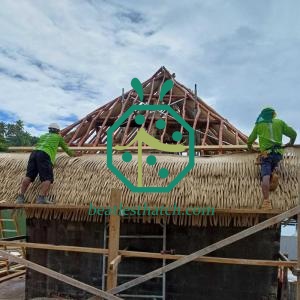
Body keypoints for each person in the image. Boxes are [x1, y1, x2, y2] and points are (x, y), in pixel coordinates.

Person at [247, 107, 297, 210]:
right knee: (275, 163)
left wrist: (250, 148)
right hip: (278, 153)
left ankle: (266, 202)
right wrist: (291, 143)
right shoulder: (280, 122)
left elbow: (250, 140)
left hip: (266, 154)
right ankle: (275, 172)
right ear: (274, 114)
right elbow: (293, 134)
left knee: (265, 176)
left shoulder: (259, 125)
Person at [16, 123, 75, 204]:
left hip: (34, 154)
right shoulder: (58, 137)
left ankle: (20, 198)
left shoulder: (43, 136)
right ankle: (41, 198)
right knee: (48, 178)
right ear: (58, 131)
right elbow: (66, 149)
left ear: (49, 129)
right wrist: (74, 154)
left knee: (29, 176)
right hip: (44, 155)